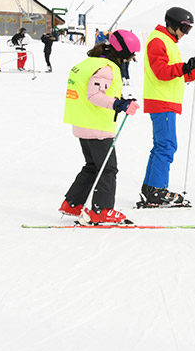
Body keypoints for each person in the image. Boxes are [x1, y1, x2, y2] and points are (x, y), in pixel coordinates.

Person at [59, 30, 141, 225]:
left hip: (83, 123)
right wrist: (119, 105)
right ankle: (102, 210)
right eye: (130, 56)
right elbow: (94, 95)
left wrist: (121, 101)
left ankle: (72, 203)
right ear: (122, 52)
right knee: (108, 168)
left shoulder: (89, 63)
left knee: (94, 166)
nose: (130, 60)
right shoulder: (106, 68)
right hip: (97, 126)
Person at [138, 7, 195, 208]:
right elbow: (161, 72)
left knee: (161, 146)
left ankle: (150, 188)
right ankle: (157, 190)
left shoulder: (168, 41)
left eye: (188, 29)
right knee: (166, 146)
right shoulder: (158, 41)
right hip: (161, 101)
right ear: (172, 24)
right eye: (184, 28)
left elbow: (175, 75)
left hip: (166, 100)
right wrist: (185, 66)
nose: (185, 33)